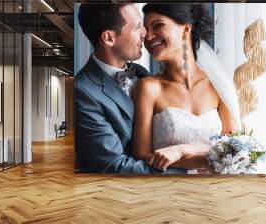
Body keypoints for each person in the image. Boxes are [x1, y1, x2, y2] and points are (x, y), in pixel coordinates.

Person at [75, 3, 192, 174]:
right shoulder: (83, 92)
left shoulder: (140, 73)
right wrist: (190, 170)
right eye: (138, 27)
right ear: (109, 38)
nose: (146, 34)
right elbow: (114, 166)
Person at [132, 4, 241, 173]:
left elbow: (236, 146)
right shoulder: (148, 87)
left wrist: (182, 150)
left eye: (158, 25)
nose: (148, 36)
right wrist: (203, 161)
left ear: (186, 27)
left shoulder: (217, 84)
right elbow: (141, 154)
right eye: (146, 30)